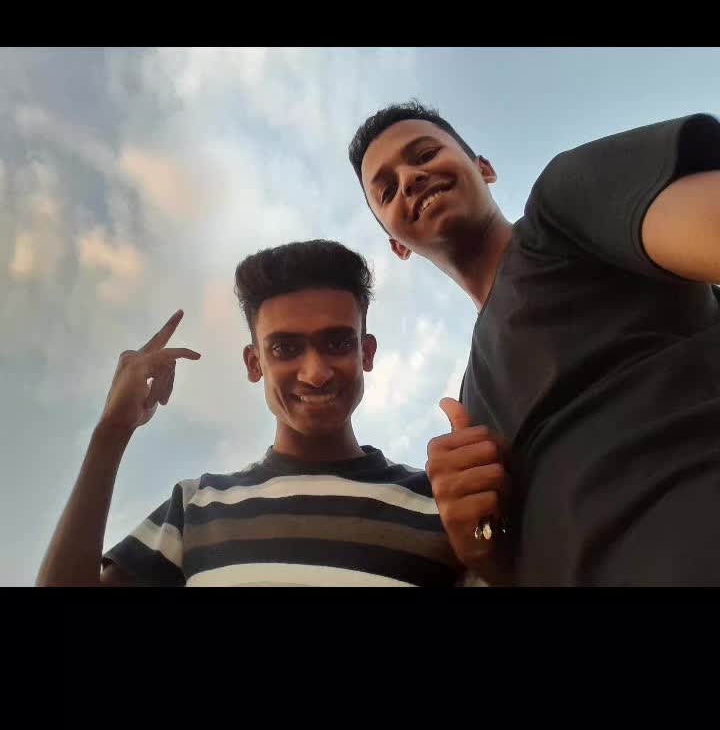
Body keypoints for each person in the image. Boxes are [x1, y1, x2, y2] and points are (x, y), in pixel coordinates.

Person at [349, 99, 720, 586]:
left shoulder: (564, 207)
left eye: (425, 154)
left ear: (484, 168)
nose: (409, 179)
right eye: (387, 189)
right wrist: (477, 542)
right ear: (398, 245)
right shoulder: (469, 405)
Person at [36, 239, 507, 587]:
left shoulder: (441, 505)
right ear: (253, 363)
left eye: (337, 342)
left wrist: (488, 548)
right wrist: (110, 434)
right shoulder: (198, 508)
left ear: (366, 352)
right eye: (285, 348)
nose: (315, 372)